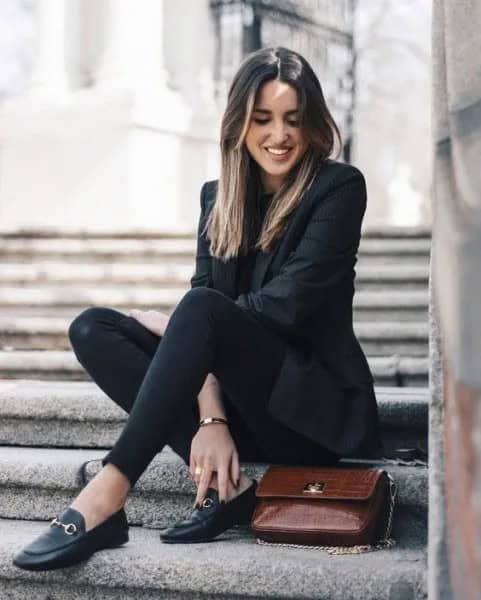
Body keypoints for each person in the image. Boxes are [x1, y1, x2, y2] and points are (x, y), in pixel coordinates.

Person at [13, 46, 382, 571]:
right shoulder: (218, 199)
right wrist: (211, 419)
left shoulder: (338, 188)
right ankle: (228, 487)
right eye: (263, 119)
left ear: (313, 125)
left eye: (293, 120)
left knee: (199, 310)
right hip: (235, 407)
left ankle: (107, 493)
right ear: (239, 124)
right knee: (93, 328)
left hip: (309, 412)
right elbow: (208, 311)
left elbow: (282, 308)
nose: (279, 135)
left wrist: (182, 323)